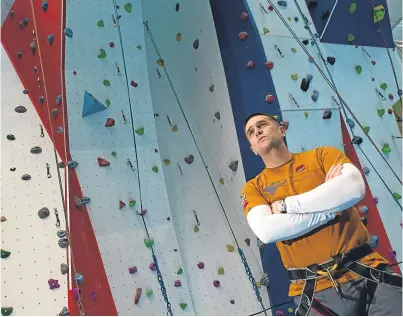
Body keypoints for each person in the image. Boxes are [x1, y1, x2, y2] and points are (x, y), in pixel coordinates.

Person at [241, 113, 402, 316]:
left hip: (367, 272)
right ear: (253, 149)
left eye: (262, 125)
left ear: (282, 130)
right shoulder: (253, 188)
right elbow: (268, 231)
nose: (257, 131)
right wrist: (330, 207)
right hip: (314, 294)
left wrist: (284, 206)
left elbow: (353, 188)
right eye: (251, 132)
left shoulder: (321, 156)